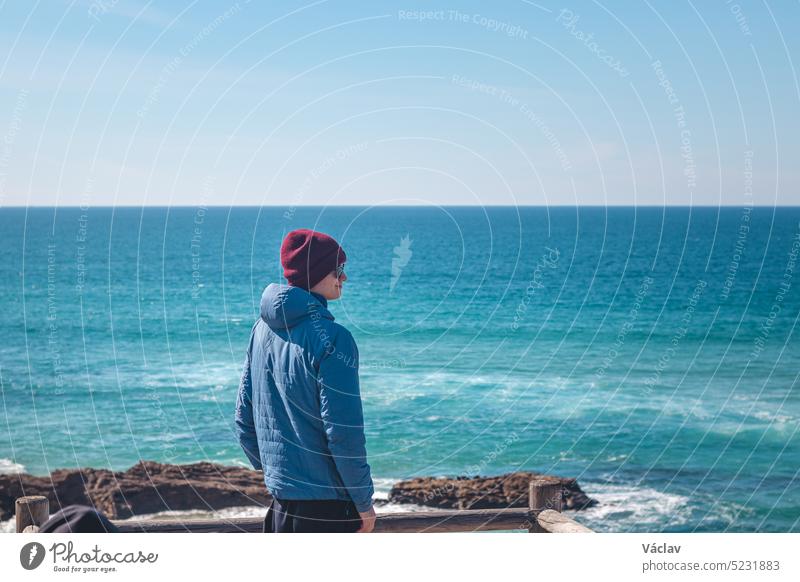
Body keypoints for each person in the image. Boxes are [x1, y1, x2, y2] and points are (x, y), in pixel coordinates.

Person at [235, 228, 376, 533]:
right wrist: (364, 503)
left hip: (281, 508)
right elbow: (343, 433)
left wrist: (280, 472)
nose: (344, 278)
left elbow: (244, 420)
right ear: (317, 273)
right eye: (338, 269)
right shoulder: (335, 339)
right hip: (328, 512)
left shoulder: (261, 330)